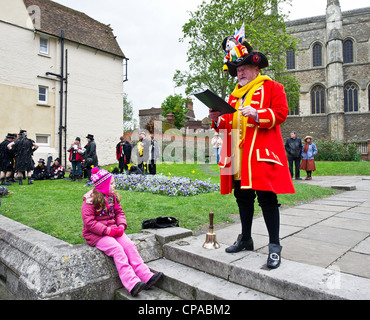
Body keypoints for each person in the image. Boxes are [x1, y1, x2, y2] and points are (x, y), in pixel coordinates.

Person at [208, 36, 295, 269]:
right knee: (243, 198)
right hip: (237, 156)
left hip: (260, 153)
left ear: (256, 68)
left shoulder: (272, 87)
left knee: (267, 199)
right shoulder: (233, 96)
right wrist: (217, 120)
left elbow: (281, 113)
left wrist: (257, 114)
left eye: (244, 68)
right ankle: (245, 238)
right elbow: (229, 124)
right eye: (237, 70)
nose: (240, 73)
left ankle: (274, 246)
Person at [81, 167, 163, 296]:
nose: (114, 186)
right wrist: (107, 230)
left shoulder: (111, 197)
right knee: (117, 249)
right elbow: (89, 223)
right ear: (103, 185)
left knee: (129, 245)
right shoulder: (90, 201)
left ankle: (146, 275)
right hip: (96, 235)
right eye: (112, 184)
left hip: (113, 230)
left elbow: (119, 212)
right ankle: (132, 283)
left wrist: (121, 225)